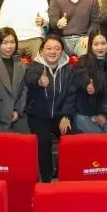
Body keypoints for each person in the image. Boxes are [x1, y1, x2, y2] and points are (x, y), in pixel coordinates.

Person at [24, 35, 77, 182]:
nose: (53, 52)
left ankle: (63, 175)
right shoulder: (34, 66)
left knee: (70, 136)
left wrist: (66, 116)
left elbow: (71, 94)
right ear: (41, 50)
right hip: (39, 115)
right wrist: (39, 82)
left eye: (57, 48)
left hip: (60, 115)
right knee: (43, 141)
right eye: (49, 48)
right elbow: (30, 79)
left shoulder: (68, 69)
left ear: (62, 51)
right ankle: (46, 180)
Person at [74, 30, 107, 134]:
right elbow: (82, 80)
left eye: (103, 43)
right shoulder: (83, 60)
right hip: (84, 112)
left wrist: (104, 114)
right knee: (98, 138)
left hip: (105, 113)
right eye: (96, 44)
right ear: (90, 45)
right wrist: (87, 87)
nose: (100, 48)